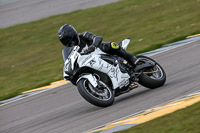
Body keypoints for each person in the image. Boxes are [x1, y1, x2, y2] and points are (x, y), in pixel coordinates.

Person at [58, 24, 139, 68]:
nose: (67, 42)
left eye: (67, 39)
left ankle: (132, 58)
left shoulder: (83, 35)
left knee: (109, 45)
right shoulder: (72, 52)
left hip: (100, 51)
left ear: (72, 34)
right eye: (64, 41)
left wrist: (93, 46)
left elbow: (97, 37)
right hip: (92, 62)